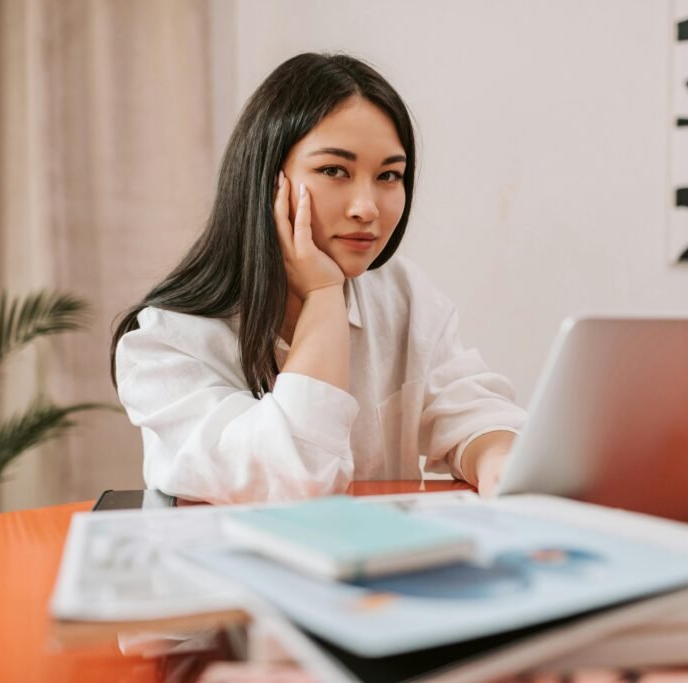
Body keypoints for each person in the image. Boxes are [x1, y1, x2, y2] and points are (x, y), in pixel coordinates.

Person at [110, 53, 525, 504]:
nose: (366, 207)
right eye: (334, 171)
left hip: (382, 566)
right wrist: (324, 297)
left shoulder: (401, 295)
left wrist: (497, 457)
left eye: (389, 175)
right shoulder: (165, 343)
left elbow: (472, 409)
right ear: (268, 181)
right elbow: (298, 481)